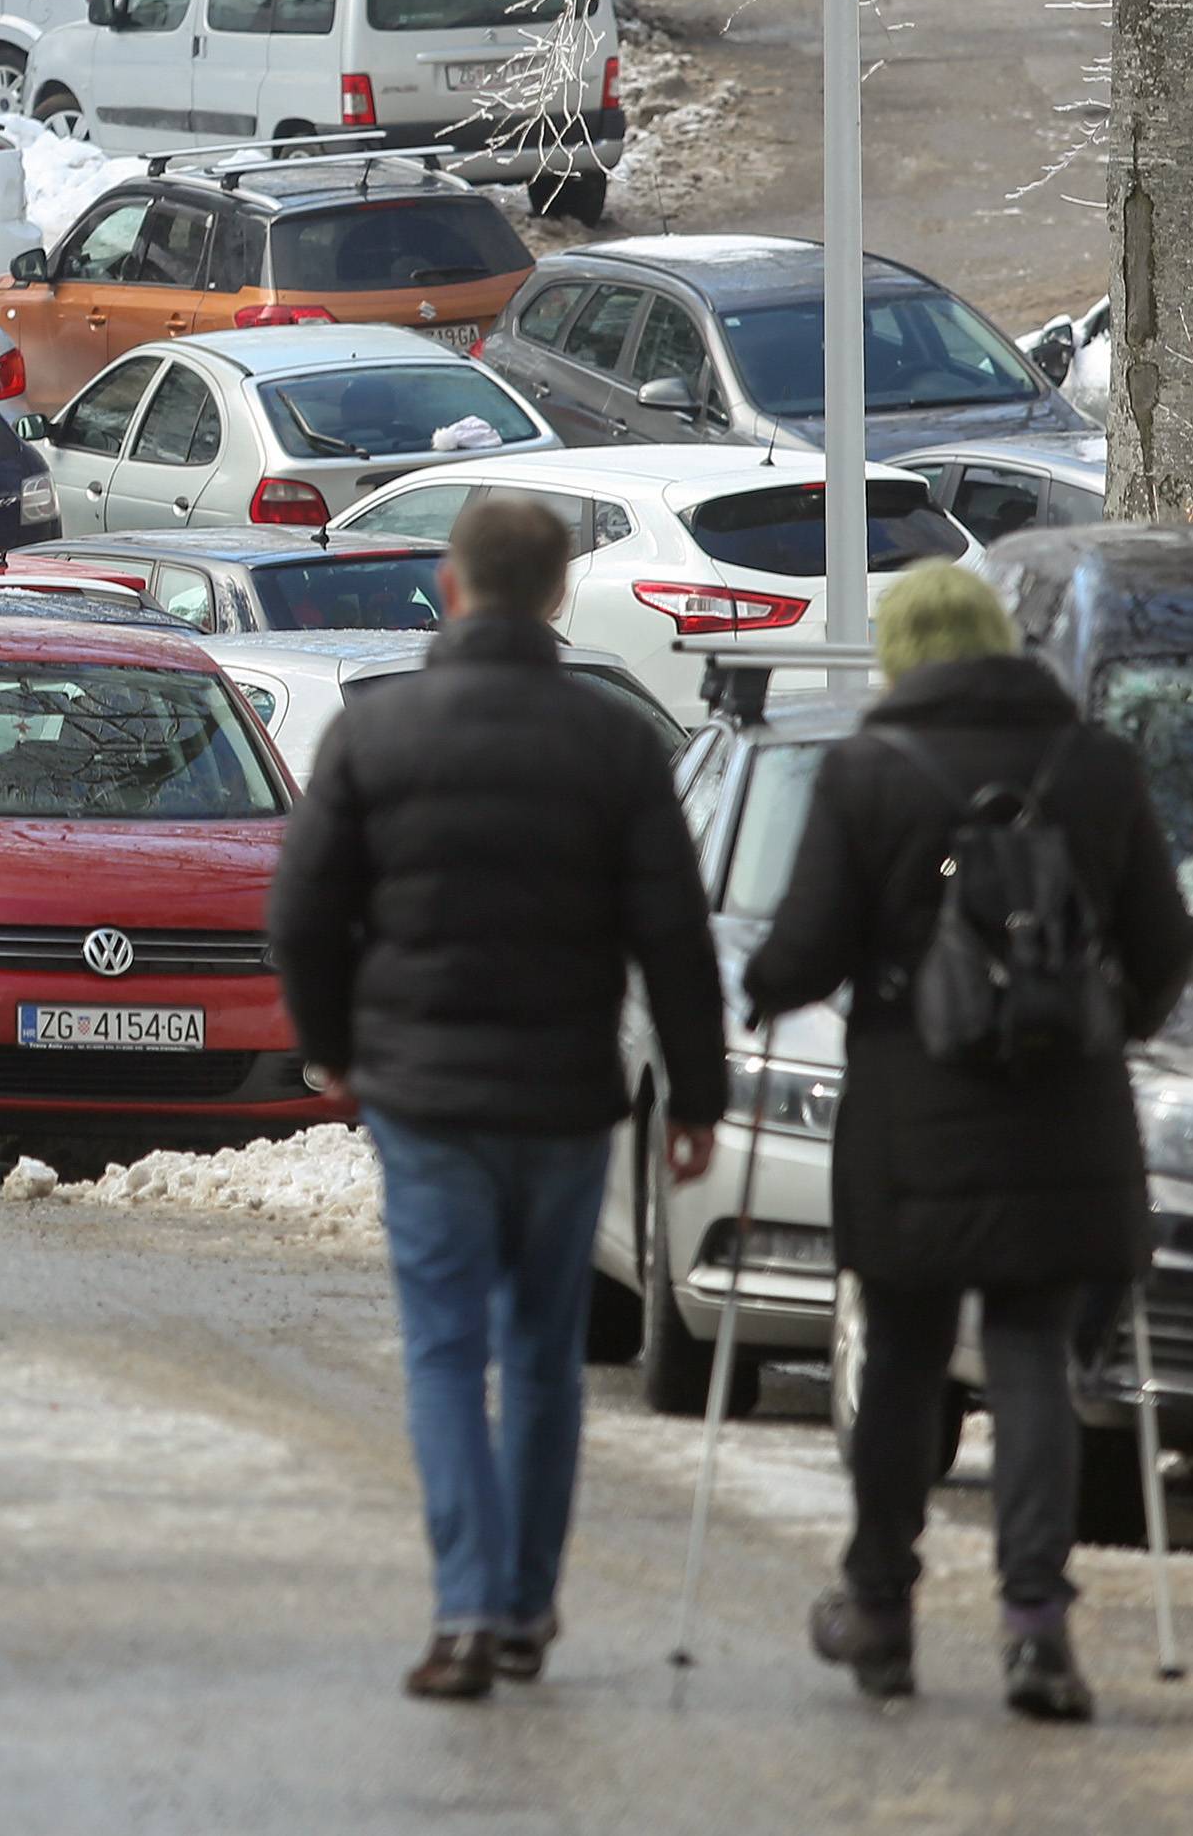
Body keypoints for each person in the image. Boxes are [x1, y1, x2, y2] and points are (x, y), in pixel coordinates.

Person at [268, 494, 728, 1701]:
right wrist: (698, 1093)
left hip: (424, 1095)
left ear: (451, 587)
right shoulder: (619, 743)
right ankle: (526, 1605)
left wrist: (334, 1047)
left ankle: (467, 1605)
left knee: (442, 1347)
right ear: (560, 594)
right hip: (569, 1090)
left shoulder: (376, 733)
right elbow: (674, 931)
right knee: (542, 1352)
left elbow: (302, 909)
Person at [743, 560, 1193, 1723]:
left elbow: (803, 948)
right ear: (1006, 643)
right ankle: (1038, 1626)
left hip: (912, 1121)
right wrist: (1100, 1024)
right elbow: (1164, 942)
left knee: (900, 1355)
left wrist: (762, 983)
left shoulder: (868, 772)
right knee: (1035, 1353)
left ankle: (882, 1612)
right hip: (1067, 1116)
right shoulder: (1093, 765)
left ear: (898, 654)